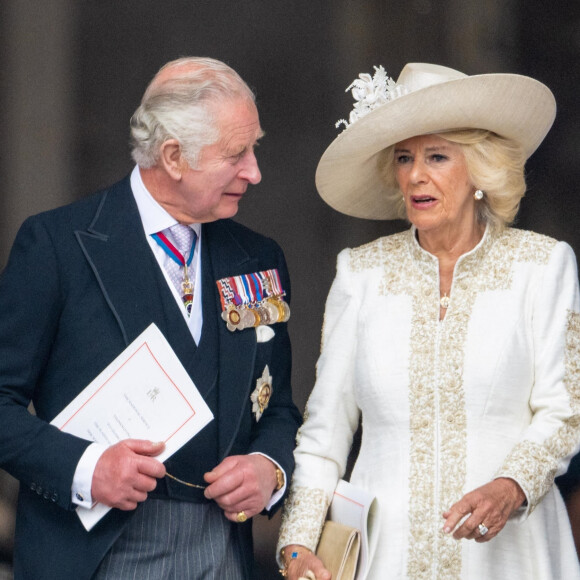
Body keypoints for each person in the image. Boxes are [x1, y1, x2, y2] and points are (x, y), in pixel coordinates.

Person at [0, 56, 301, 579]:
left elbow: (278, 408)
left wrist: (268, 469)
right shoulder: (56, 246)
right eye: (237, 153)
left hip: (224, 550)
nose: (254, 171)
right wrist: (85, 469)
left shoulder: (259, 257)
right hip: (95, 554)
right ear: (173, 156)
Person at [277, 63, 580, 579]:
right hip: (385, 559)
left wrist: (511, 487)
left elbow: (565, 410)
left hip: (511, 556)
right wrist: (297, 544)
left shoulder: (542, 265)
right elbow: (325, 430)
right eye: (404, 158)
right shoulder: (361, 273)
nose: (415, 174)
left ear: (480, 169)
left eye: (437, 156)